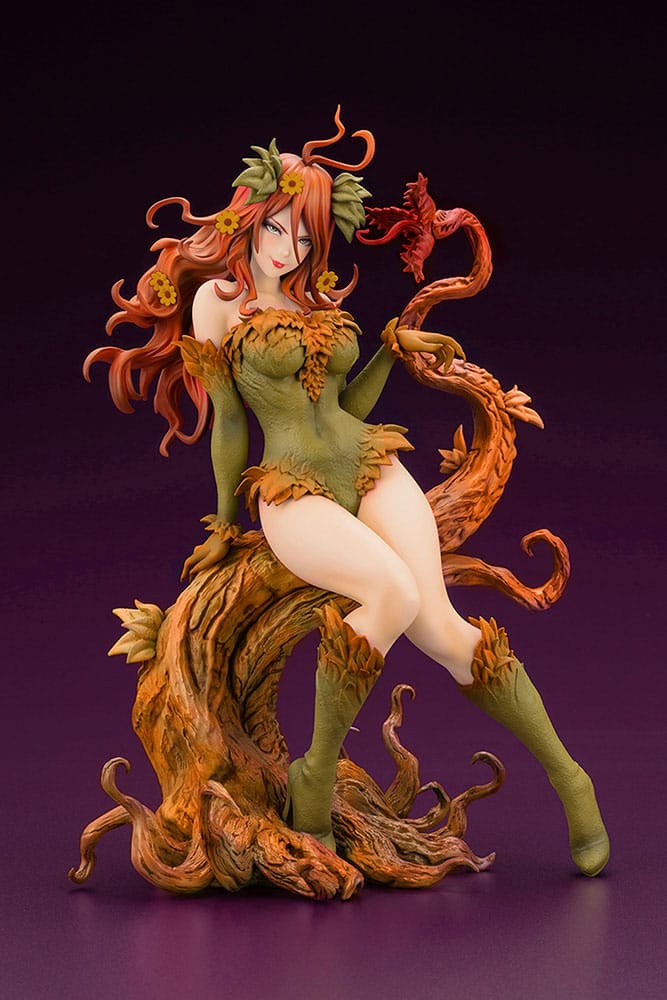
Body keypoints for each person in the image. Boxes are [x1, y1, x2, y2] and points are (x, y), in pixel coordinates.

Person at [84, 109, 609, 877]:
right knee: (390, 594)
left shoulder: (314, 302)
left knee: (442, 628)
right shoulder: (217, 304)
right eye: (278, 228)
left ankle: (570, 778)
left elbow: (346, 406)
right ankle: (315, 772)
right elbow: (228, 422)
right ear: (249, 217)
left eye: (305, 236)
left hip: (366, 464)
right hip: (291, 489)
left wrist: (391, 347)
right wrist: (224, 524)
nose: (288, 248)